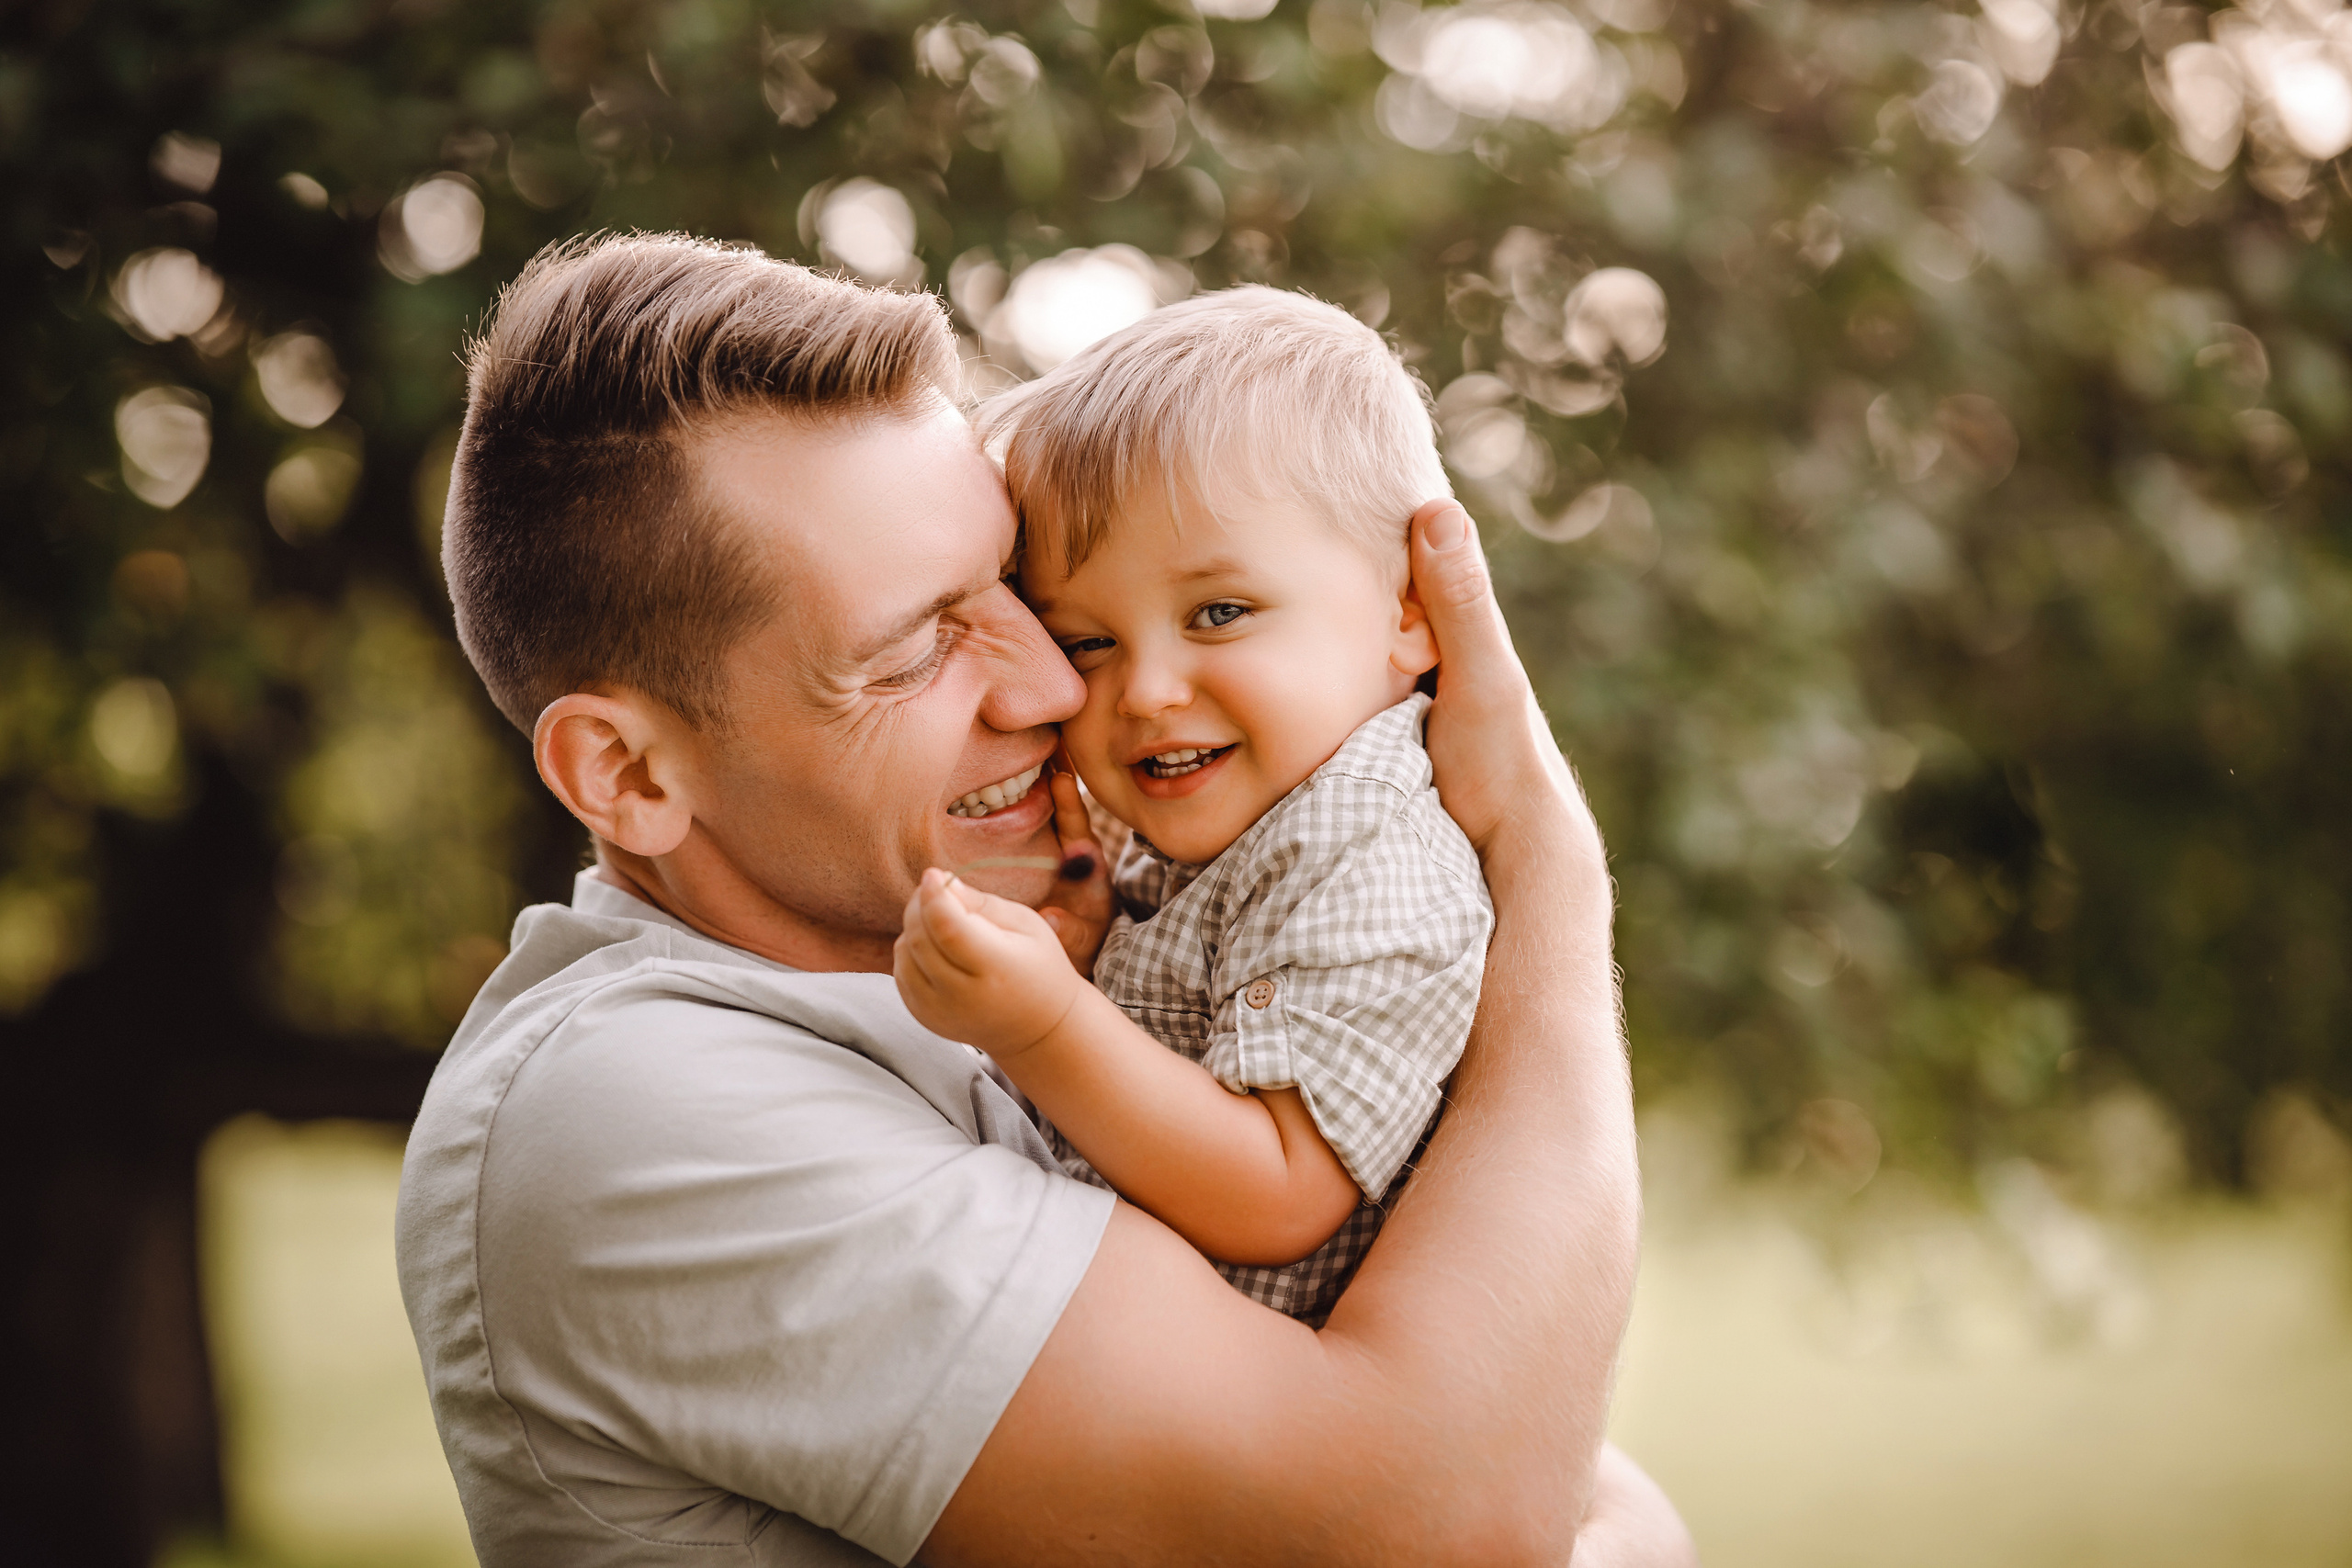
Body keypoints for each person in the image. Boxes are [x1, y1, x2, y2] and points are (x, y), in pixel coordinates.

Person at [396, 231, 1695, 1568]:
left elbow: (1512, 1434)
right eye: (917, 648)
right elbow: (1452, 1518)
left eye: (1012, 591)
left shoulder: (993, 983)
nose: (1058, 687)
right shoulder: (647, 1111)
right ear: (627, 773)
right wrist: (1539, 852)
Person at [894, 288, 1493, 1325]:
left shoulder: (1360, 845)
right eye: (1087, 640)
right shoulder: (1229, 828)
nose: (1146, 690)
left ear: (1408, 611)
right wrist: (1097, 951)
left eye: (1219, 612)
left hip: (1263, 1405)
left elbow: (1279, 1192)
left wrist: (1045, 1020)